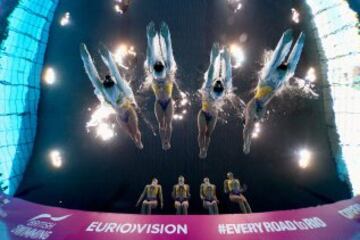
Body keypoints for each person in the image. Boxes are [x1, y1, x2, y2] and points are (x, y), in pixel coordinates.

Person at [243, 29, 305, 154]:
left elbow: (248, 126)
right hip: (277, 84)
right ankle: (300, 42)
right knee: (290, 70)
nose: (252, 121)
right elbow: (253, 122)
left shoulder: (251, 107)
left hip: (267, 81)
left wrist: (247, 144)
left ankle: (285, 40)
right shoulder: (259, 113)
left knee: (275, 60)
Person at [80, 43, 143, 149]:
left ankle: (137, 142)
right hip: (125, 106)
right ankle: (138, 141)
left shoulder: (105, 94)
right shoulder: (121, 90)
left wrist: (85, 58)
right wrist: (106, 56)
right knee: (134, 131)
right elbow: (114, 71)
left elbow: (92, 74)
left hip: (116, 109)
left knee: (133, 133)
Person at [144, 21, 177, 151]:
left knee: (167, 123)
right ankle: (165, 140)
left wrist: (151, 37)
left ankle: (166, 140)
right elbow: (160, 53)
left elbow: (155, 54)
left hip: (166, 102)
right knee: (162, 124)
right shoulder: (165, 73)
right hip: (161, 102)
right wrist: (163, 37)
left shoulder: (161, 73)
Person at [198, 43, 233, 158]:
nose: (218, 82)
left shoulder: (210, 88)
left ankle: (204, 150)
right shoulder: (212, 87)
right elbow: (217, 69)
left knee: (207, 135)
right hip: (203, 113)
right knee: (202, 132)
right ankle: (201, 149)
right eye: (218, 84)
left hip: (213, 115)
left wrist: (216, 56)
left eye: (218, 85)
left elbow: (214, 70)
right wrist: (224, 58)